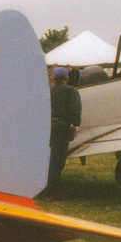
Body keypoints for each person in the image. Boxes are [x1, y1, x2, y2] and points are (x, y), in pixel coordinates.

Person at [42, 66, 81, 198]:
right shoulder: (71, 91)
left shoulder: (48, 91)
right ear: (67, 78)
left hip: (48, 127)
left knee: (48, 159)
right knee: (58, 161)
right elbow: (75, 109)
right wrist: (76, 125)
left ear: (53, 78)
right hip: (62, 128)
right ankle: (51, 193)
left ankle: (44, 189)